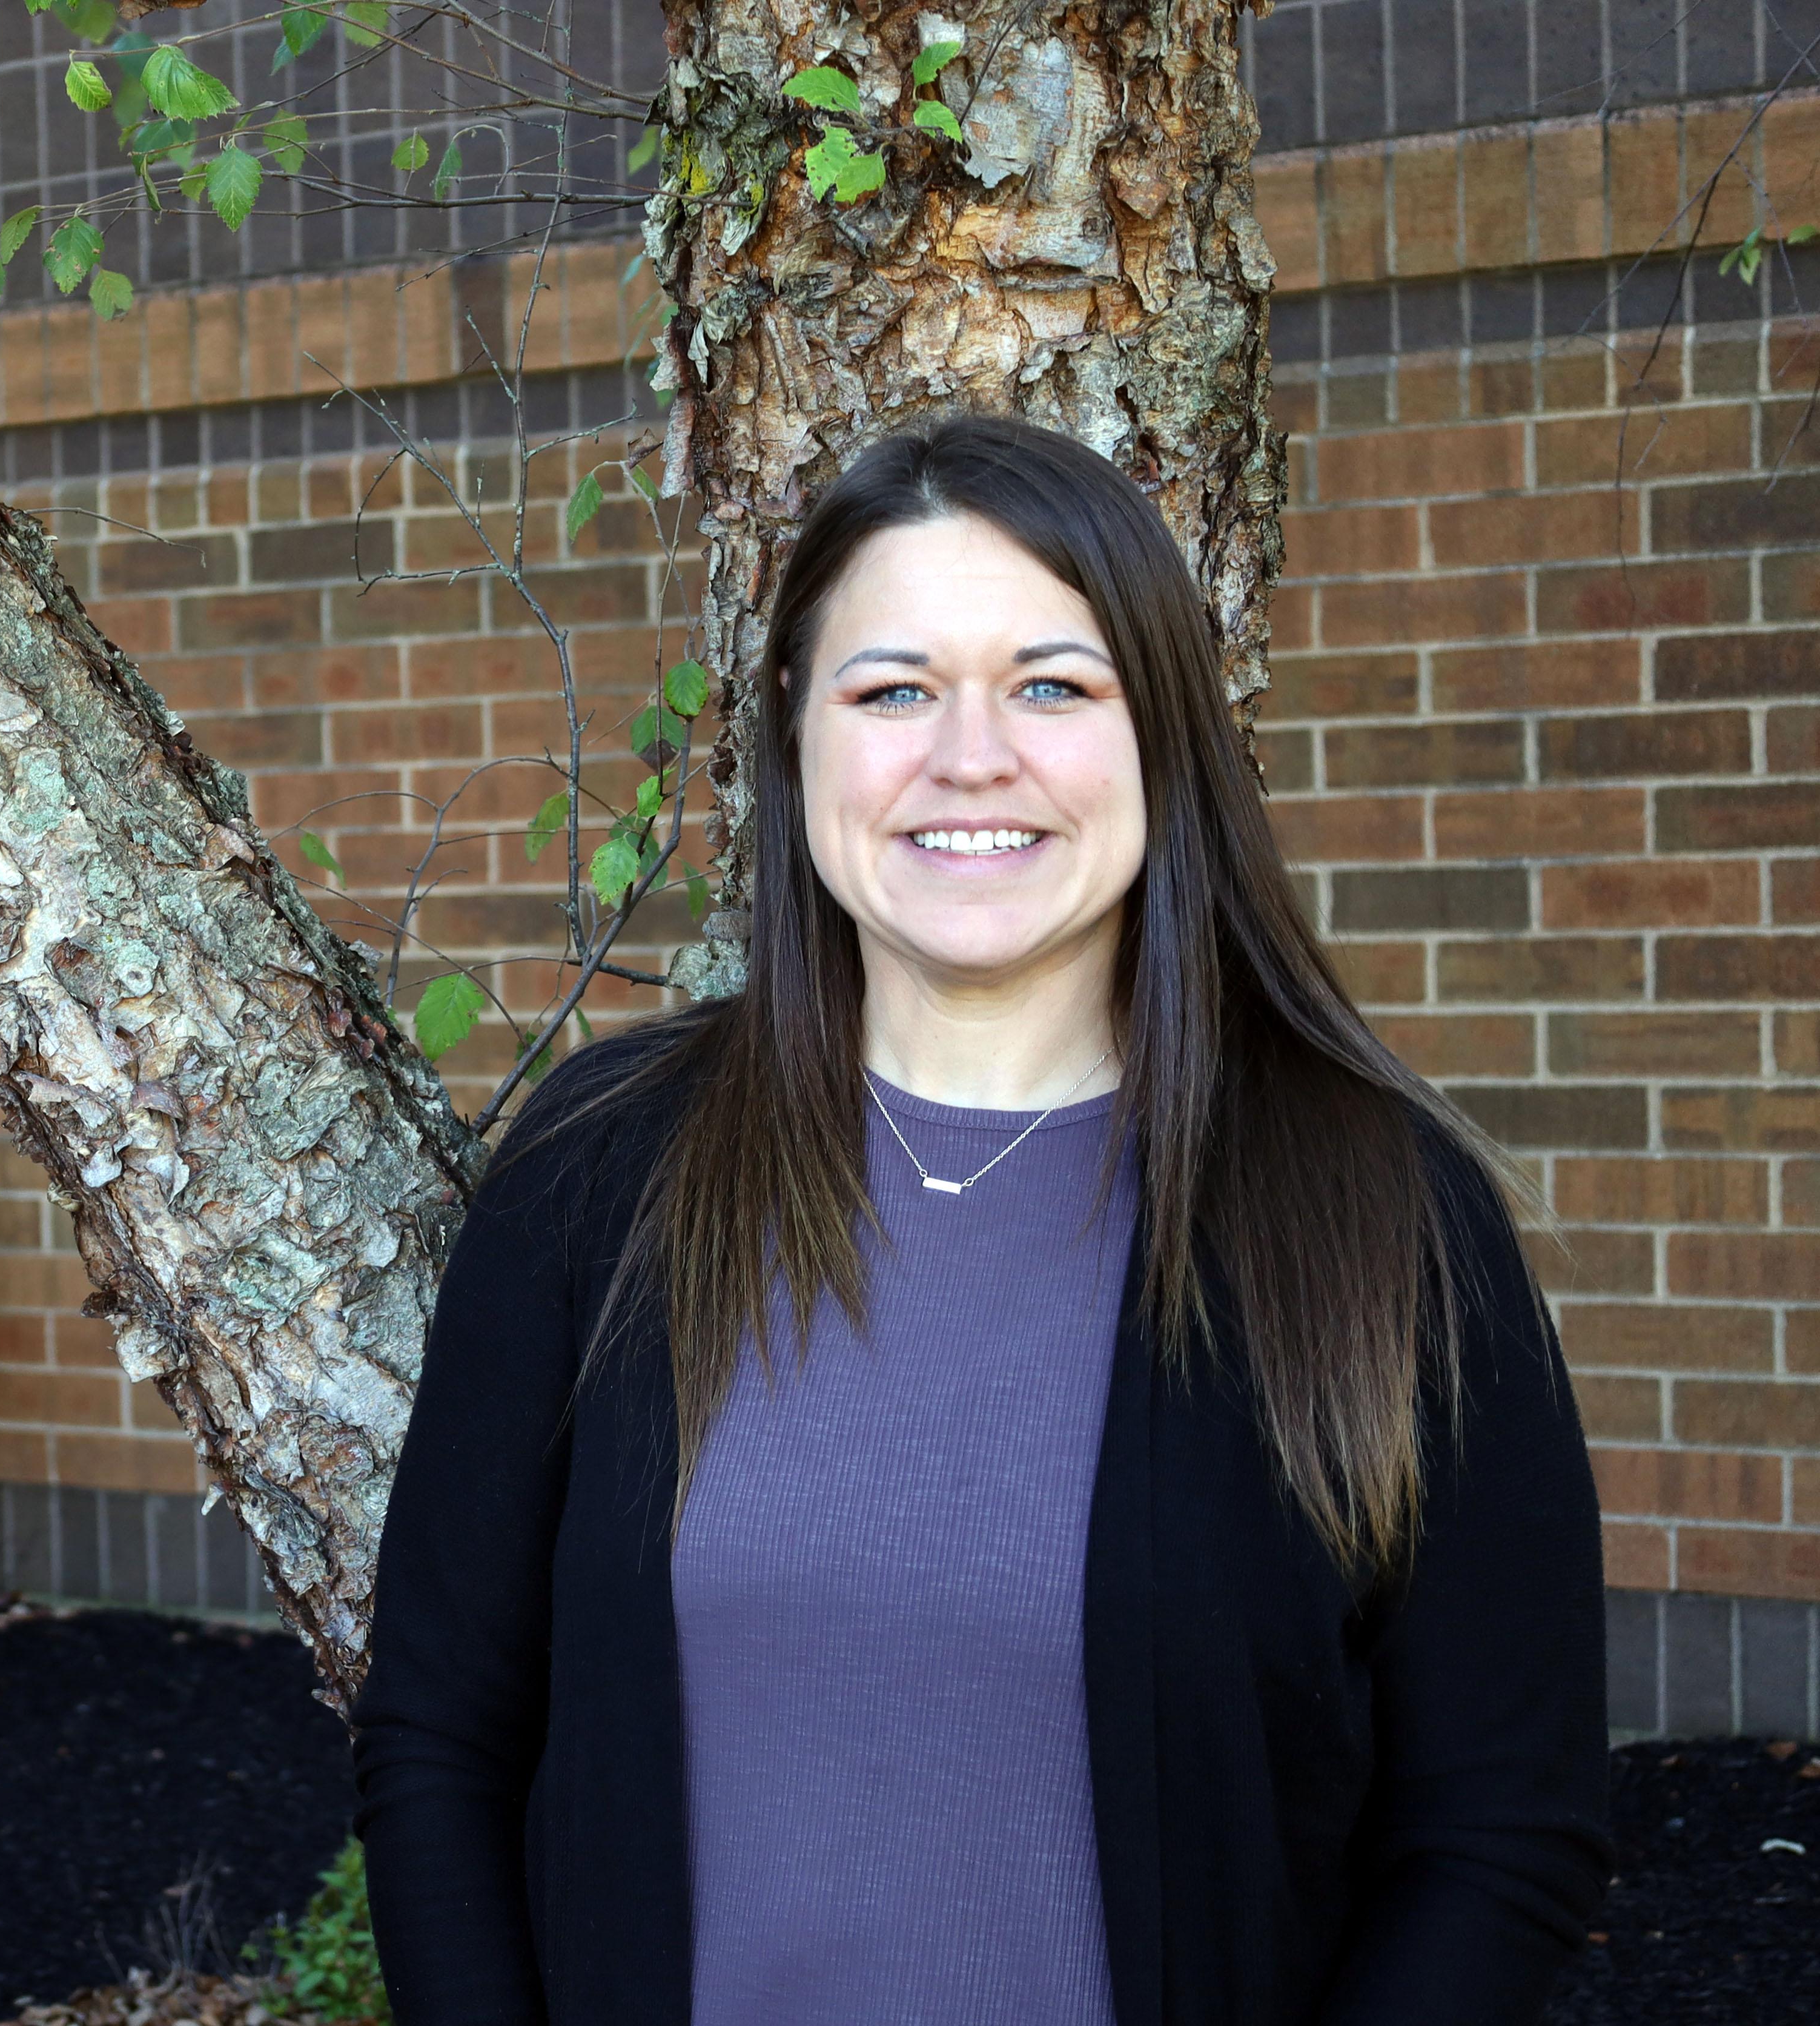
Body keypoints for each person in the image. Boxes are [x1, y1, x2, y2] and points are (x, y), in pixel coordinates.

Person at [348, 414, 1611, 2026]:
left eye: (1052, 683)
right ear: (795, 732)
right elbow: (442, 1736)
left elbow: (1501, 1833)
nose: (969, 756)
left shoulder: (1376, 1215)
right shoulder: (605, 1171)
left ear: (1162, 734)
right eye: (893, 689)